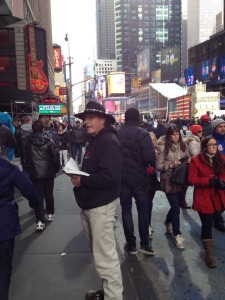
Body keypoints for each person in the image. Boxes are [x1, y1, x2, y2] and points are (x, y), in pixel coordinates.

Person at [72, 101, 123, 300]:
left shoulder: (108, 141)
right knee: (100, 255)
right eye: (85, 118)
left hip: (101, 207)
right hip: (92, 205)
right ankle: (107, 291)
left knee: (105, 258)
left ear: (103, 119)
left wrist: (82, 180)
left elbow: (110, 176)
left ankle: (113, 297)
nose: (86, 122)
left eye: (90, 117)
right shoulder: (96, 139)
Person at [0, 157, 39, 300]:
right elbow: (28, 189)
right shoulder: (8, 168)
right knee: (4, 266)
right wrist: (35, 204)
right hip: (4, 224)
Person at [117, 108, 155, 256]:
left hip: (123, 179)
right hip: (140, 179)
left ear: (125, 118)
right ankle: (145, 244)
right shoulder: (143, 134)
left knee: (126, 211)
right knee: (143, 211)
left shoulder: (118, 134)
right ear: (138, 118)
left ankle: (131, 245)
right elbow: (149, 158)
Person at [188, 136, 225, 268]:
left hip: (219, 198)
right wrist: (208, 181)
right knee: (207, 224)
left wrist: (222, 181)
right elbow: (192, 180)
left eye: (215, 144)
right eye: (211, 145)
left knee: (215, 218)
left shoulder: (221, 158)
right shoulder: (196, 161)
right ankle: (209, 254)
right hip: (204, 198)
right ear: (204, 147)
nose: (214, 147)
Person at [156, 125, 189, 249]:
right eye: (173, 134)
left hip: (181, 179)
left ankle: (168, 221)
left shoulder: (183, 145)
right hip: (169, 181)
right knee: (176, 207)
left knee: (175, 206)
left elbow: (187, 157)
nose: (176, 136)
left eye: (177, 134)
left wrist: (187, 162)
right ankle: (177, 234)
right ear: (168, 135)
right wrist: (171, 165)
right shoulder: (162, 146)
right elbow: (158, 165)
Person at [24, 121, 60, 230]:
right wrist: (55, 169)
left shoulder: (28, 141)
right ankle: (50, 213)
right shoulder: (49, 141)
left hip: (35, 173)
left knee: (38, 196)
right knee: (49, 194)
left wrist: (29, 170)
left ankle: (39, 221)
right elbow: (55, 156)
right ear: (43, 130)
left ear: (32, 129)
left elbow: (25, 158)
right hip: (48, 172)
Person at [211, 118, 225, 232]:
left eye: (224, 126)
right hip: (217, 174)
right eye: (220, 126)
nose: (223, 128)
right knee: (218, 198)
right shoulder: (211, 140)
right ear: (215, 128)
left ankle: (216, 216)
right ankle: (217, 219)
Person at [147, 132, 160, 238]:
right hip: (143, 179)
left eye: (153, 139)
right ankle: (147, 225)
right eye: (149, 139)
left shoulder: (159, 151)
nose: (152, 141)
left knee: (149, 203)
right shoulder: (142, 150)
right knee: (145, 203)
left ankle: (148, 223)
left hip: (153, 179)